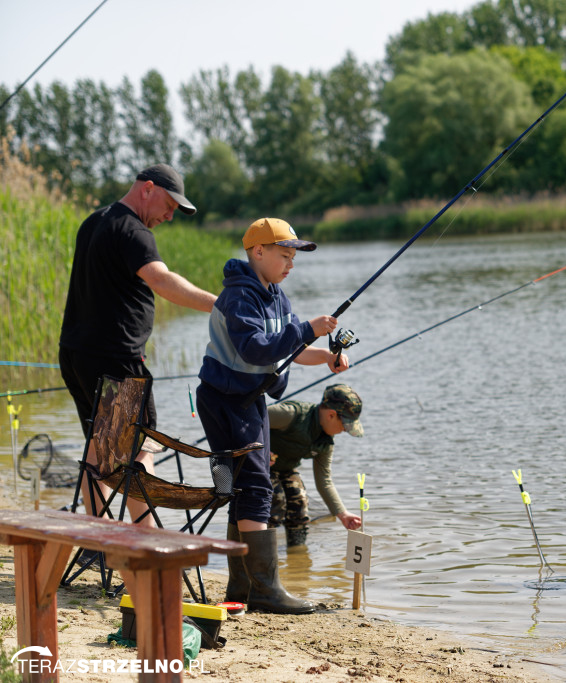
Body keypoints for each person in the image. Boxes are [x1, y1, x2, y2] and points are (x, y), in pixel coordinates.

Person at [195, 217, 349, 615]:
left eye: (293, 257)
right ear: (258, 252)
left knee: (246, 489)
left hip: (251, 398)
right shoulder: (239, 297)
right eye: (285, 255)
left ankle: (242, 588)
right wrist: (305, 330)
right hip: (226, 400)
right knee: (257, 488)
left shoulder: (277, 297)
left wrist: (326, 357)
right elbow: (256, 350)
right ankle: (264, 589)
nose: (291, 265)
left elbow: (290, 350)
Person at [59, 163, 217, 528]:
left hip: (76, 355)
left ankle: (98, 542)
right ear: (148, 188)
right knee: (138, 449)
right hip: (116, 361)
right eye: (169, 204)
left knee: (98, 452)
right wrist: (220, 304)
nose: (170, 215)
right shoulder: (134, 231)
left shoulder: (95, 221)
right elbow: (162, 281)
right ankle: (148, 548)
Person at [268, 384, 365, 548]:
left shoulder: (325, 443)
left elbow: (324, 481)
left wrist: (343, 514)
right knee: (275, 499)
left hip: (284, 469)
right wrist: (258, 449)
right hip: (251, 462)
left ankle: (297, 558)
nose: (343, 431)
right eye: (345, 425)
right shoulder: (291, 415)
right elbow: (249, 418)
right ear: (331, 415)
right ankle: (259, 554)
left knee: (298, 500)